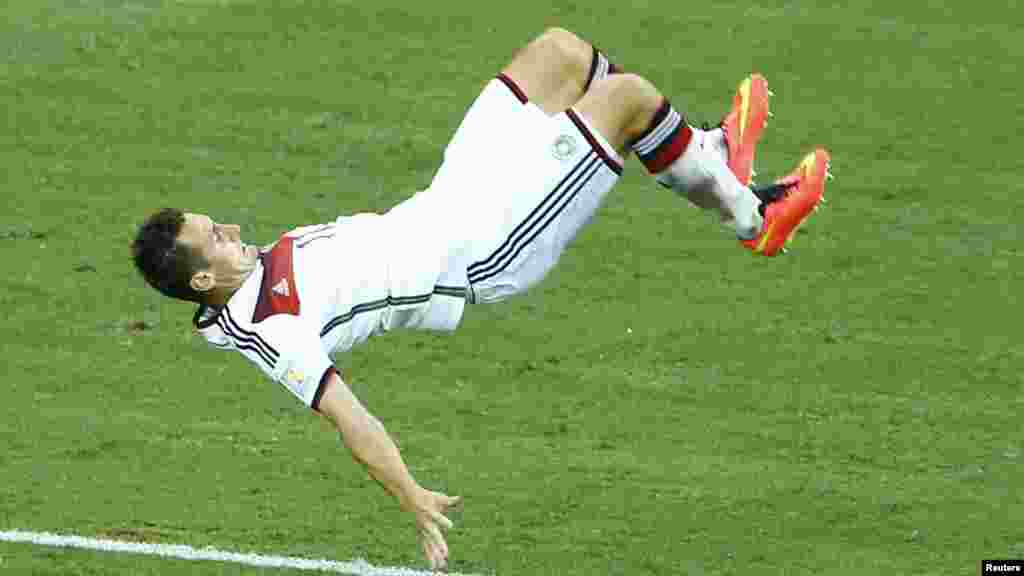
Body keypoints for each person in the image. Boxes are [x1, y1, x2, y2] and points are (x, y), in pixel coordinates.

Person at [131, 28, 831, 571]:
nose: (227, 227)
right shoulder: (268, 328)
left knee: (560, 53)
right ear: (201, 280)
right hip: (486, 247)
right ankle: (753, 216)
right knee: (625, 99)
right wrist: (411, 495)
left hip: (451, 196)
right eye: (212, 238)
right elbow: (350, 418)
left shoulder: (247, 276)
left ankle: (708, 157)